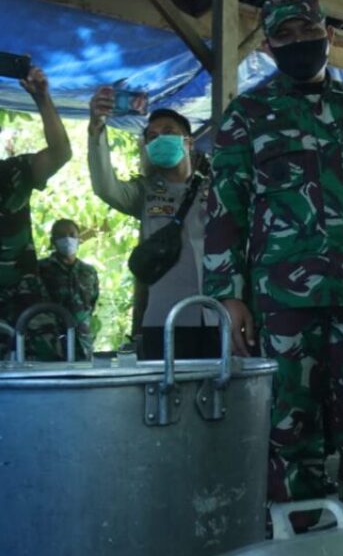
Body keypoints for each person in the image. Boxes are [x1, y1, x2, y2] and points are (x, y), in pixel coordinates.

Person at [205, 0, 343, 525]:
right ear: (269, 45)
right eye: (284, 36)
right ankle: (292, 537)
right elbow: (224, 209)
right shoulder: (246, 114)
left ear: (330, 35)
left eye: (307, 32)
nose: (298, 43)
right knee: (286, 422)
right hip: (280, 301)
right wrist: (228, 296)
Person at [87, 96, 217, 358]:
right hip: (164, 319)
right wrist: (97, 127)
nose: (159, 139)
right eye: (152, 137)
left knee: (219, 395)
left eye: (168, 132)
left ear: (188, 142)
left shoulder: (217, 188)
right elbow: (105, 186)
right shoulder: (144, 193)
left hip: (216, 317)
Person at [0, 64, 72, 360]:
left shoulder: (10, 173)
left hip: (23, 308)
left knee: (42, 396)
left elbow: (60, 153)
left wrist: (42, 99)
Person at [38, 219, 99, 360]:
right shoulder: (41, 269)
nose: (67, 239)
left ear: (79, 238)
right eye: (61, 235)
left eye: (72, 234)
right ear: (53, 241)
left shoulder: (89, 272)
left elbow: (92, 303)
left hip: (83, 342)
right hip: (52, 343)